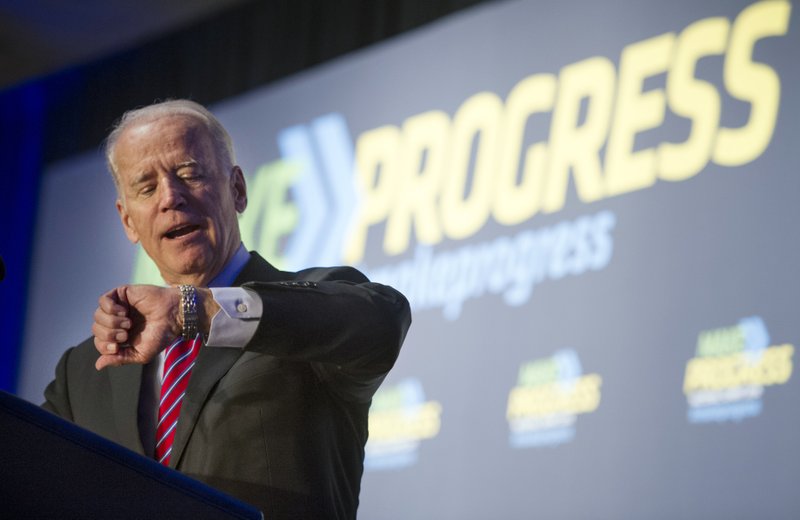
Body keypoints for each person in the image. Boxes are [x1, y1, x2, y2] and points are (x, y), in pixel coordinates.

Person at [42, 99, 411, 519]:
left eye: (189, 174)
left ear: (237, 189)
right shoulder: (82, 371)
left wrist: (192, 311)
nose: (171, 198)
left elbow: (384, 320)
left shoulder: (309, 306)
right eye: (146, 188)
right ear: (128, 221)